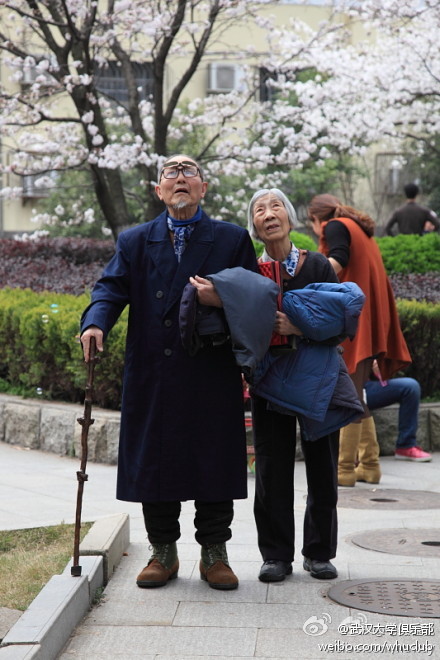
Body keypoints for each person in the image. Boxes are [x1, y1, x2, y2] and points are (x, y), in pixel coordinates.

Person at [80, 154, 258, 591]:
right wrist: (96, 321)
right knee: (156, 461)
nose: (179, 178)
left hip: (209, 369)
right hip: (153, 370)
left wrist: (221, 298)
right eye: (170, 173)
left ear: (204, 187)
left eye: (189, 172)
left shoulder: (231, 239)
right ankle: (163, 549)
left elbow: (255, 296)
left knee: (213, 458)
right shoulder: (135, 240)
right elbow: (110, 287)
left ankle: (214, 552)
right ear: (158, 190)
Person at [247, 188, 342, 583]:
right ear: (253, 226)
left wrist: (298, 327)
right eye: (259, 210)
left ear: (289, 217)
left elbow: (340, 323)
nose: (268, 214)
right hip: (269, 379)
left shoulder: (317, 265)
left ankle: (319, 552)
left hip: (317, 378)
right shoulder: (250, 272)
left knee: (323, 465)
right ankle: (275, 555)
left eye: (275, 206)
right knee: (271, 466)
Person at [309, 194, 412, 487]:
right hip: (368, 317)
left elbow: (339, 259)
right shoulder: (357, 227)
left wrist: (308, 279)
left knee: (351, 396)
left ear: (316, 220)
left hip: (356, 319)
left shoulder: (335, 225)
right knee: (358, 395)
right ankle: (370, 465)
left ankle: (343, 470)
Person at [366, 361, 432, 462]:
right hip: (343, 388)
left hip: (367, 387)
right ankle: (348, 453)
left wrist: (380, 364)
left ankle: (406, 445)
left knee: (410, 387)